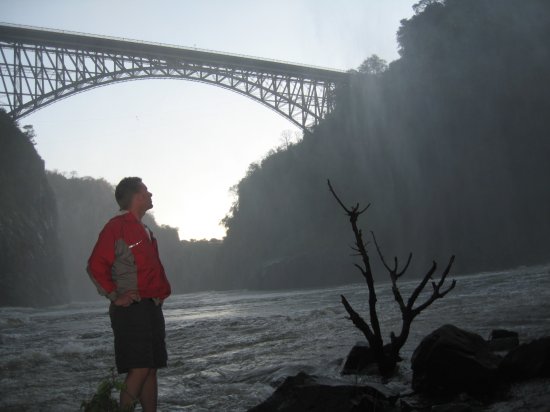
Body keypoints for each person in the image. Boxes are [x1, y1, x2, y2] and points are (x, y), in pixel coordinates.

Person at [87, 177, 171, 412]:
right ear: (136, 196)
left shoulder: (146, 230)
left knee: (151, 367)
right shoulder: (117, 227)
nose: (150, 194)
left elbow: (150, 269)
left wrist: (160, 293)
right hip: (130, 309)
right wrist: (115, 296)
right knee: (140, 368)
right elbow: (95, 265)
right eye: (146, 190)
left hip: (150, 307)